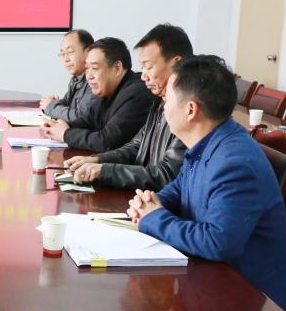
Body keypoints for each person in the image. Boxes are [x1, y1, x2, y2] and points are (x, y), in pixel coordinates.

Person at [127, 55, 286, 311]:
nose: (163, 106)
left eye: (167, 99)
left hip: (249, 309)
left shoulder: (234, 162)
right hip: (212, 286)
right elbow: (180, 188)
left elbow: (217, 241)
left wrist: (153, 218)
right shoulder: (209, 141)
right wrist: (150, 202)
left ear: (190, 110)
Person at [64, 24, 192, 189]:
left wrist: (104, 171)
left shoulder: (187, 110)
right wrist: (97, 160)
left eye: (149, 67)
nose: (143, 76)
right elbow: (136, 146)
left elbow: (166, 175)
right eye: (142, 67)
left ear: (177, 64)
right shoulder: (160, 100)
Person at [41, 37, 156, 151]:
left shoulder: (137, 94)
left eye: (95, 68)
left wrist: (65, 134)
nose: (89, 76)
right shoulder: (108, 89)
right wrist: (56, 127)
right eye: (87, 69)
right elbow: (88, 120)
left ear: (117, 68)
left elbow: (107, 141)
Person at [40, 28, 97, 123]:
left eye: (70, 52)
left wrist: (51, 106)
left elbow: (81, 117)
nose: (66, 59)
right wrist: (54, 103)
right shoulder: (76, 79)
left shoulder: (94, 80)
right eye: (63, 54)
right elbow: (67, 104)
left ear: (88, 52)